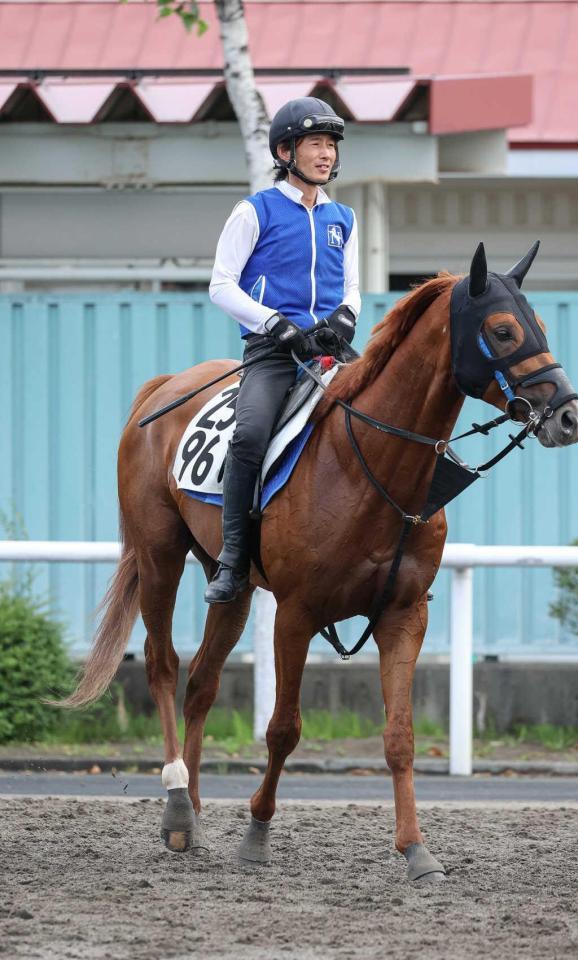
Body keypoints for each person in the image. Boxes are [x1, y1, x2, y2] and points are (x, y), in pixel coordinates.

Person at [204, 97, 362, 604]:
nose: (326, 154)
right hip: (274, 355)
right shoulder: (255, 210)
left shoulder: (344, 217)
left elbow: (353, 286)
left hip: (331, 351)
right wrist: (275, 325)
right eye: (316, 144)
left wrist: (346, 316)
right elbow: (221, 285)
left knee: (392, 417)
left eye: (331, 146)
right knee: (249, 436)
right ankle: (231, 559)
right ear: (285, 151)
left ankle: (394, 554)